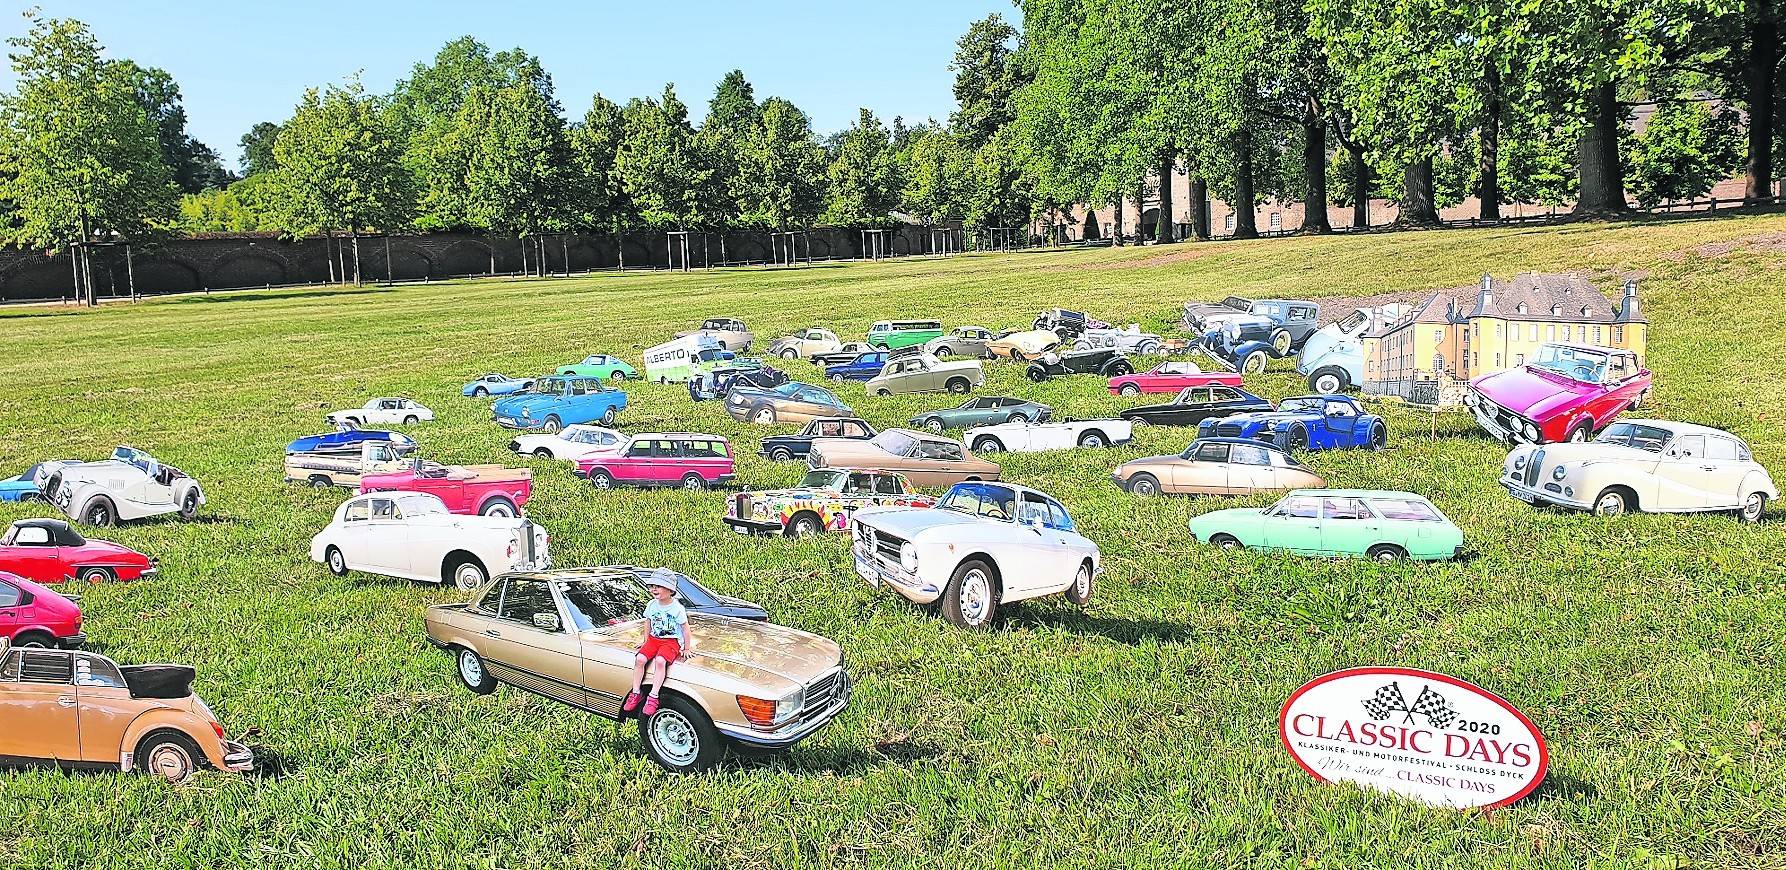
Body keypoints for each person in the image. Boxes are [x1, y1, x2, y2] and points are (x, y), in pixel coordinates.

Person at [621, 574, 692, 717]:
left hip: (671, 641)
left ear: (670, 590)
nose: (654, 589)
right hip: (654, 639)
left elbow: (685, 628)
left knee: (660, 661)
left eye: (658, 586)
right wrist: (646, 641)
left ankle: (653, 696)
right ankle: (636, 692)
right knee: (640, 659)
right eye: (652, 586)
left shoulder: (677, 608)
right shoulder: (652, 605)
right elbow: (648, 622)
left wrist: (686, 648)